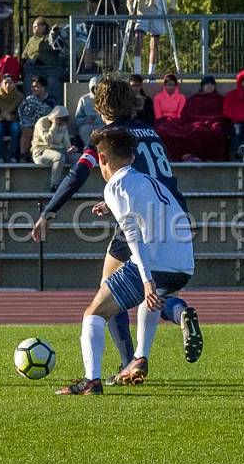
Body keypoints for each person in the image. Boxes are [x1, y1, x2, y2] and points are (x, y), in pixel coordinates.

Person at [32, 77, 202, 385]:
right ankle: (175, 319)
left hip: (141, 221)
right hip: (175, 213)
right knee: (160, 289)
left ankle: (125, 364)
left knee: (108, 293)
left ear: (99, 105)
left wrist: (49, 211)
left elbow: (77, 174)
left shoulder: (109, 137)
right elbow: (149, 179)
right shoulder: (150, 131)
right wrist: (113, 203)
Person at [54, 126, 196, 395]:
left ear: (103, 158)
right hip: (184, 261)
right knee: (148, 304)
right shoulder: (147, 180)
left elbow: (133, 236)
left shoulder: (115, 185)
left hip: (155, 261)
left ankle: (91, 381)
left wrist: (147, 280)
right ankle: (139, 357)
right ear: (132, 157)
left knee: (94, 313)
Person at [126, 0, 178, 77]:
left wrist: (172, 8)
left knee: (154, 45)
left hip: (157, 15)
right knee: (138, 40)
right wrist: (131, 11)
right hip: (142, 15)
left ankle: (151, 74)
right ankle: (137, 73)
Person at [178, 75, 227, 162]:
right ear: (202, 86)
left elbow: (223, 113)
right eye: (207, 84)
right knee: (197, 130)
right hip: (197, 122)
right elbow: (190, 113)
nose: (209, 86)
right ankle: (194, 157)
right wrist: (202, 121)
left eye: (212, 84)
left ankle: (213, 158)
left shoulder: (219, 99)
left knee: (216, 131)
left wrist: (211, 120)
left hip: (214, 122)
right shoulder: (195, 98)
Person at [31, 106, 78, 191]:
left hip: (60, 150)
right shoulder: (42, 122)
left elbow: (66, 143)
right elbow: (48, 140)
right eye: (62, 119)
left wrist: (70, 149)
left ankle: (72, 184)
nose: (64, 122)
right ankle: (54, 185)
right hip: (41, 151)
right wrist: (54, 125)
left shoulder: (63, 125)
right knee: (59, 157)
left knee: (77, 158)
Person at [17, 75, 57, 162]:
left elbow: (50, 116)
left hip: (45, 126)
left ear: (43, 88)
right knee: (26, 129)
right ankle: (23, 156)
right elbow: (23, 112)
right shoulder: (30, 99)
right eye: (32, 86)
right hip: (30, 124)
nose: (32, 89)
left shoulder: (51, 101)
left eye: (36, 87)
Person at [0, 73, 23, 162]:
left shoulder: (19, 97)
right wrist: (1, 117)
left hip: (13, 121)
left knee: (16, 129)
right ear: (1, 84)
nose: (8, 85)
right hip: (0, 122)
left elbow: (22, 115)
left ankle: (14, 156)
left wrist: (11, 117)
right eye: (5, 83)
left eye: (10, 83)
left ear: (14, 84)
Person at [74, 76, 103, 150]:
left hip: (102, 125)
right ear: (91, 88)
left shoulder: (107, 99)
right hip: (89, 125)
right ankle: (88, 148)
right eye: (95, 88)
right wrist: (85, 120)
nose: (97, 90)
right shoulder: (84, 99)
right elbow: (76, 120)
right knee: (84, 129)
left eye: (99, 88)